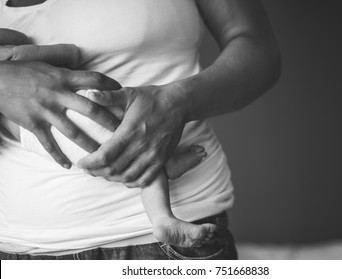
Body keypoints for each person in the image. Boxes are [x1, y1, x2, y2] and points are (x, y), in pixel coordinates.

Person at [0, 0, 280, 260]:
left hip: (156, 236)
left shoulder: (17, 52)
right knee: (102, 143)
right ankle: (164, 188)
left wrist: (175, 103)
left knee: (119, 136)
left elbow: (70, 53)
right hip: (18, 242)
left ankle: (162, 214)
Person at [0, 28, 217, 248]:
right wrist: (20, 54)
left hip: (36, 140)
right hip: (64, 113)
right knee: (131, 140)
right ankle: (162, 216)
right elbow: (70, 54)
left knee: (130, 150)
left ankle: (166, 179)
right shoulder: (11, 56)